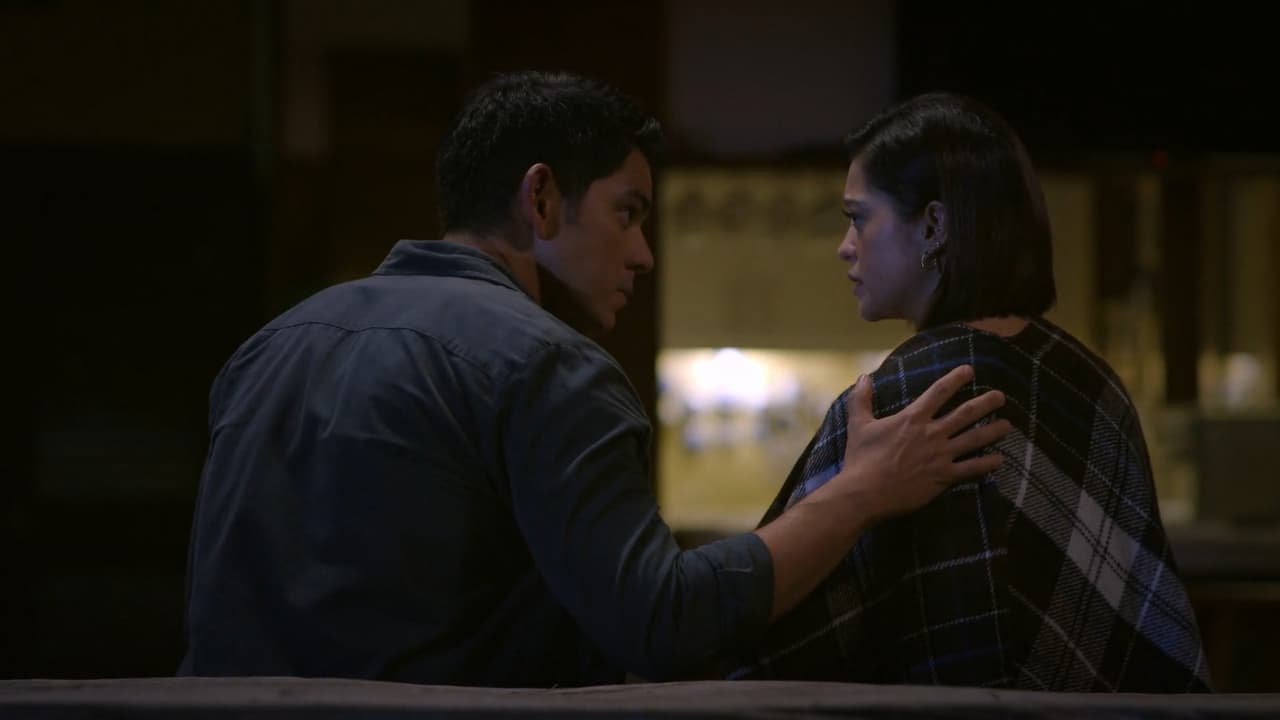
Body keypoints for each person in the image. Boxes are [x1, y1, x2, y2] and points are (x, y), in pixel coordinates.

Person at [178, 71, 1011, 688]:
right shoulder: (546, 363)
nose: (643, 254)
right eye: (627, 212)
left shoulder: (267, 347)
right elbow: (662, 621)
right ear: (540, 199)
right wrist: (859, 492)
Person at [722, 92, 1211, 692]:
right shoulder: (1096, 381)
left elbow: (768, 621)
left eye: (858, 218)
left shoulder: (903, 391)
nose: (845, 245)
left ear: (933, 225)